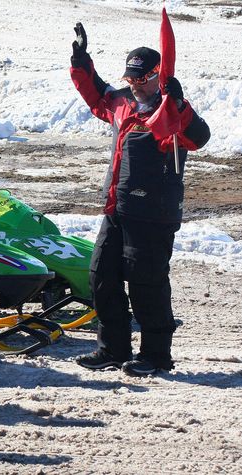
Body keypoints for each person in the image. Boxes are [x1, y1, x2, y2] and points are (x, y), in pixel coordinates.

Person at [70, 23, 211, 376]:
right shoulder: (122, 102)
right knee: (101, 277)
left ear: (156, 76)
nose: (133, 84)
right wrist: (80, 60)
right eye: (130, 78)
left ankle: (155, 355)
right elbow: (97, 95)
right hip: (116, 206)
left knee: (146, 284)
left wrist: (178, 104)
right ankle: (112, 349)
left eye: (140, 78)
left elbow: (199, 137)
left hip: (153, 212)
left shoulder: (169, 111)